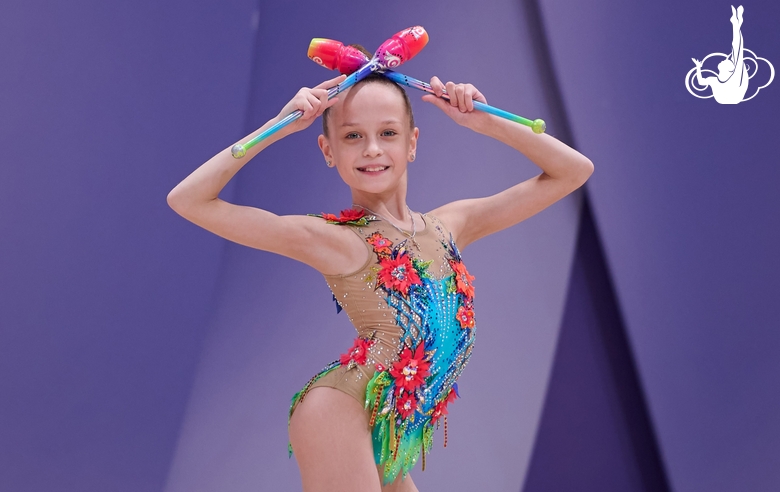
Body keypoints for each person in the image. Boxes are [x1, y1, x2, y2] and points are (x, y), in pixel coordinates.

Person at [167, 49, 593, 491]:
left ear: (412, 142)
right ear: (327, 150)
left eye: (388, 133)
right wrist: (277, 128)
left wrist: (484, 121)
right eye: (352, 137)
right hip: (339, 414)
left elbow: (572, 171)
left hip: (389, 430)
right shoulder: (335, 239)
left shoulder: (452, 225)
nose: (372, 149)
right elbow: (189, 200)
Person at [692, 5, 748, 104]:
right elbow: (701, 82)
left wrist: (736, 26)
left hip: (733, 96)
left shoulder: (733, 77)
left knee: (737, 51)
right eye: (727, 60)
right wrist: (698, 67)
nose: (724, 59)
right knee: (737, 51)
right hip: (730, 97)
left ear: (729, 69)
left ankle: (736, 24)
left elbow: (737, 49)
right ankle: (736, 24)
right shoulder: (714, 80)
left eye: (727, 61)